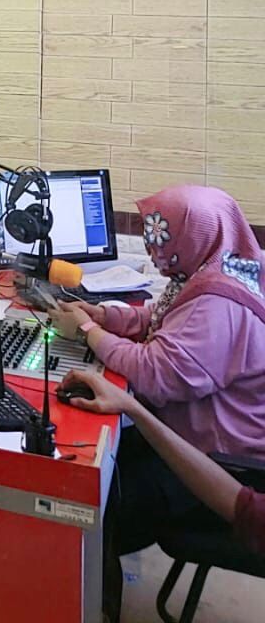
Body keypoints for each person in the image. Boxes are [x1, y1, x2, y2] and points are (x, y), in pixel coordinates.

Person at [47, 184, 265, 620]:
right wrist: (105, 316)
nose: (152, 249)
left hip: (222, 463)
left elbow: (157, 374)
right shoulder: (224, 268)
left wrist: (89, 333)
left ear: (193, 235)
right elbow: (162, 320)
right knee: (87, 462)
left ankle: (93, 604)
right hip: (195, 438)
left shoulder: (219, 303)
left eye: (159, 237)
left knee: (87, 504)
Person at [61, 369, 264, 556]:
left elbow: (246, 510)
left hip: (232, 469)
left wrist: (131, 406)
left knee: (93, 514)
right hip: (203, 448)